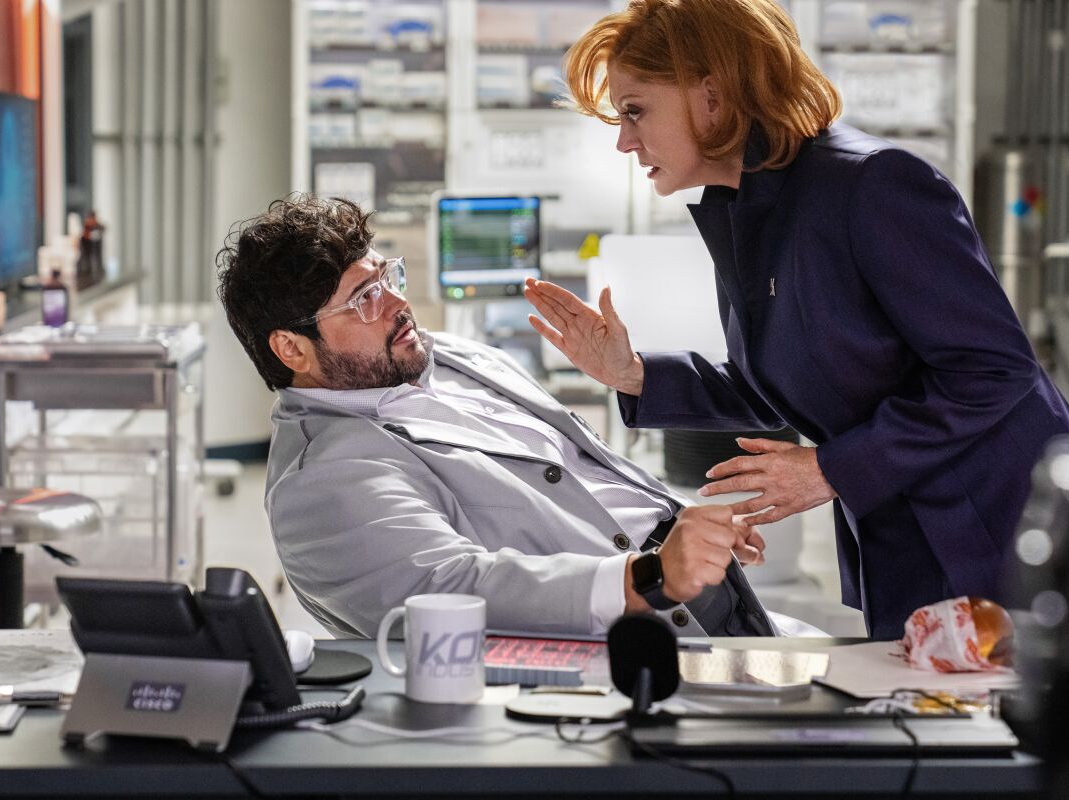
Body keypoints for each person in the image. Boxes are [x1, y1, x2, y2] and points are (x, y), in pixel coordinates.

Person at [523, 0, 1069, 640]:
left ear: (715, 94)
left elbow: (994, 369)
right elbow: (783, 379)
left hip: (999, 532)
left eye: (636, 110)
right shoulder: (752, 208)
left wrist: (829, 469)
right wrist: (635, 374)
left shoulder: (873, 184)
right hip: (906, 535)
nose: (624, 139)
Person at [216, 194, 790, 640]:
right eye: (364, 298)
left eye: (387, 277)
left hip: (720, 594)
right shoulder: (320, 478)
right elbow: (445, 588)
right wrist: (650, 574)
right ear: (292, 349)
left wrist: (685, 524)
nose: (396, 303)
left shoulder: (452, 358)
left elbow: (576, 470)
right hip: (639, 639)